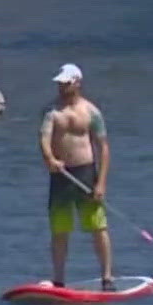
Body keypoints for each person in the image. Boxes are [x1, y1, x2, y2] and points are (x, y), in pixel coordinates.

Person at [39, 63, 114, 289]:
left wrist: (101, 183)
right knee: (60, 230)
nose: (62, 87)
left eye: (66, 83)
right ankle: (59, 280)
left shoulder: (91, 112)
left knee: (98, 227)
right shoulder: (51, 112)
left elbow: (103, 148)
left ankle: (107, 277)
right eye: (60, 83)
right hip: (61, 176)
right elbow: (43, 139)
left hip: (85, 173)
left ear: (77, 83)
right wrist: (50, 159)